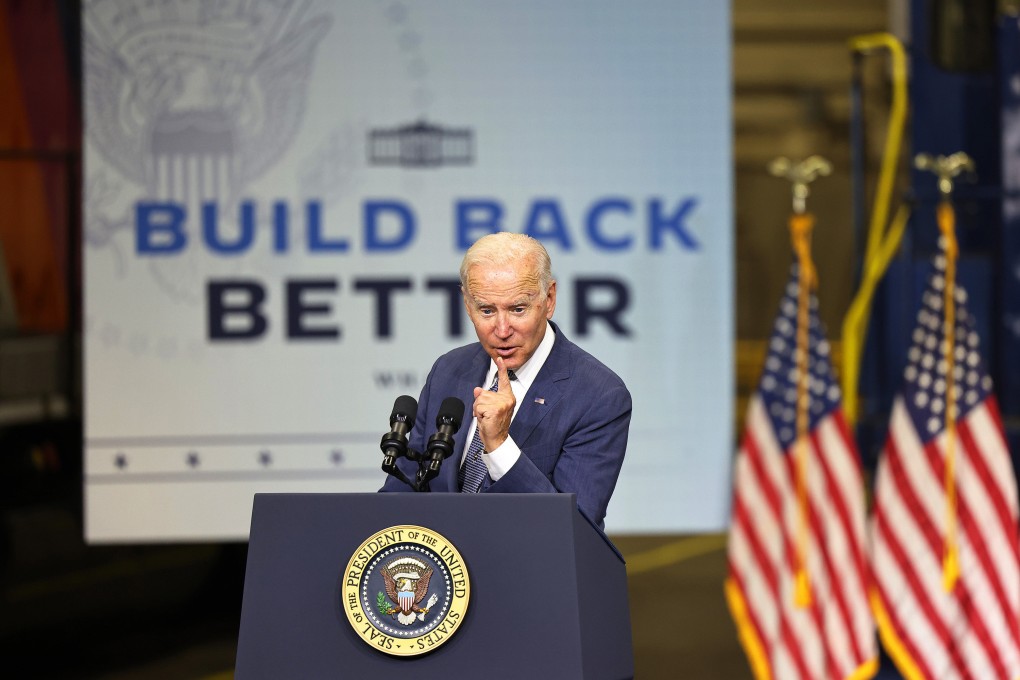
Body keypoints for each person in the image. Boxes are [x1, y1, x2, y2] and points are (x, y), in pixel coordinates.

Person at [379, 232, 631, 528]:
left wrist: (499, 446)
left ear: (548, 299)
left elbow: (574, 528)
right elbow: (403, 492)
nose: (501, 329)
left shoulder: (598, 394)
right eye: (486, 310)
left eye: (517, 309)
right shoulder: (449, 370)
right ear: (467, 304)